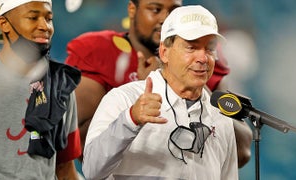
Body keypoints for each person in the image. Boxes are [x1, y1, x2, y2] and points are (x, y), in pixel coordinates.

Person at [65, 0, 252, 168]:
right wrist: (147, 91)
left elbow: (241, 152)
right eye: (155, 9)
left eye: (173, 11)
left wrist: (188, 82)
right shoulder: (99, 52)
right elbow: (81, 145)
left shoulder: (204, 61)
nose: (165, 18)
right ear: (132, 9)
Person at [0, 0, 82, 179]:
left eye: (49, 19)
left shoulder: (61, 82)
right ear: (4, 24)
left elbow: (64, 167)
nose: (44, 26)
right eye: (33, 17)